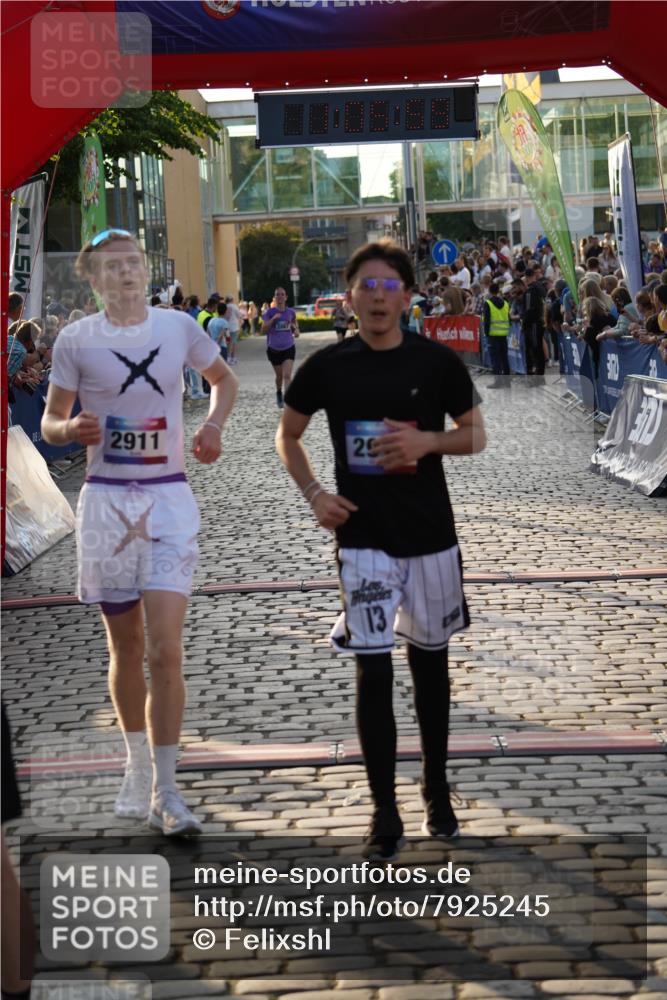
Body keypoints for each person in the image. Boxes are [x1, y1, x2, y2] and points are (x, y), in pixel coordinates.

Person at [275, 239, 486, 860]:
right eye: (365, 286)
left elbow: (476, 435)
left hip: (430, 539)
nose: (376, 296)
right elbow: (287, 436)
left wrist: (426, 443)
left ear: (408, 297)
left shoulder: (436, 362)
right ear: (349, 297)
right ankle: (384, 810)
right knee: (372, 667)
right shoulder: (329, 367)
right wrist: (315, 492)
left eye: (389, 286)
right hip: (362, 538)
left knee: (430, 668)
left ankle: (436, 788)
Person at [41, 229, 238, 837]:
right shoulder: (76, 340)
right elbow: (48, 422)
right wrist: (71, 429)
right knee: (125, 648)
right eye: (112, 267)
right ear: (94, 279)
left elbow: (224, 382)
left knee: (164, 650)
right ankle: (134, 764)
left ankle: (168, 789)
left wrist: (212, 428)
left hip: (168, 500)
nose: (127, 274)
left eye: (134, 263)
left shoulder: (178, 327)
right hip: (105, 508)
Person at [262, 286, 299, 408]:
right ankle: (279, 392)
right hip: (274, 349)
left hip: (288, 347)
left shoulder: (291, 312)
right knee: (279, 376)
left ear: (286, 297)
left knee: (287, 376)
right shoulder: (269, 313)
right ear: (275, 297)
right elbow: (263, 330)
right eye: (277, 294)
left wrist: (296, 330)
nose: (280, 296)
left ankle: (288, 401)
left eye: (282, 294)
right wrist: (273, 319)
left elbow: (294, 324)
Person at [483, 281, 511, 388]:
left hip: (492, 335)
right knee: (504, 358)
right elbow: (508, 318)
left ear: (490, 291)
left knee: (495, 359)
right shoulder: (505, 303)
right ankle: (507, 382)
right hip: (503, 334)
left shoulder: (488, 303)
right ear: (498, 291)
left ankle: (498, 382)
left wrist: (486, 333)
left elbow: (487, 320)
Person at [522, 267, 546, 385]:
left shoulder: (530, 291)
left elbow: (528, 309)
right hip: (540, 321)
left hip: (533, 323)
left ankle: (537, 377)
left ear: (527, 277)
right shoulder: (541, 287)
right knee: (538, 348)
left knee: (535, 349)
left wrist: (524, 322)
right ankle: (539, 375)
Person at [225, 296, 242, 365]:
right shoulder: (234, 306)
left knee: (228, 342)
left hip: (226, 326)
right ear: (231, 300)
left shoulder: (225, 306)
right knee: (233, 342)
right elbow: (239, 315)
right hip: (234, 327)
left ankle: (228, 357)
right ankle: (232, 357)